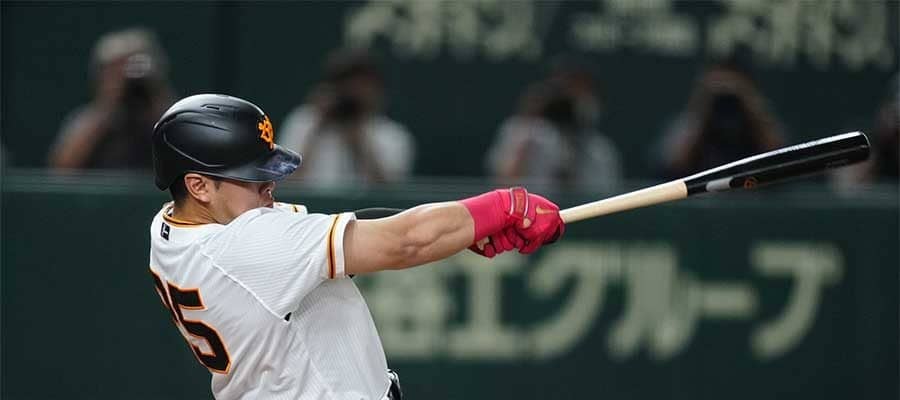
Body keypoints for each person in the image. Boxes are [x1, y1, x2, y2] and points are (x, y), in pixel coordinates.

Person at [148, 94, 564, 399]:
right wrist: (503, 206)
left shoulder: (171, 226)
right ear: (198, 185)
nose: (269, 184)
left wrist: (462, 229)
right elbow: (406, 242)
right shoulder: (246, 244)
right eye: (251, 177)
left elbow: (347, 234)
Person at [279, 49, 414, 187]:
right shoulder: (304, 122)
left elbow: (389, 191)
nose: (353, 92)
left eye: (362, 85)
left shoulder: (393, 135)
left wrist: (357, 138)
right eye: (345, 85)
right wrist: (316, 126)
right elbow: (284, 182)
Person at [486, 56, 622, 192]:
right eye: (564, 89)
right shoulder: (521, 132)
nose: (568, 102)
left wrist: (572, 151)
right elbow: (503, 186)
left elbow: (602, 197)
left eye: (578, 92)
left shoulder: (600, 150)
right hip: (529, 204)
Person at [49, 28, 174, 169]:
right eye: (116, 69)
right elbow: (62, 168)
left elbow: (184, 156)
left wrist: (154, 95)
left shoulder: (170, 117)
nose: (128, 76)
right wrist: (109, 104)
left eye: (138, 66)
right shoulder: (86, 120)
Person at [655, 61, 786, 179]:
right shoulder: (693, 120)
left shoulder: (758, 123)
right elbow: (673, 165)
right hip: (702, 193)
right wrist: (704, 103)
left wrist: (748, 99)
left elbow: (778, 160)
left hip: (750, 191)